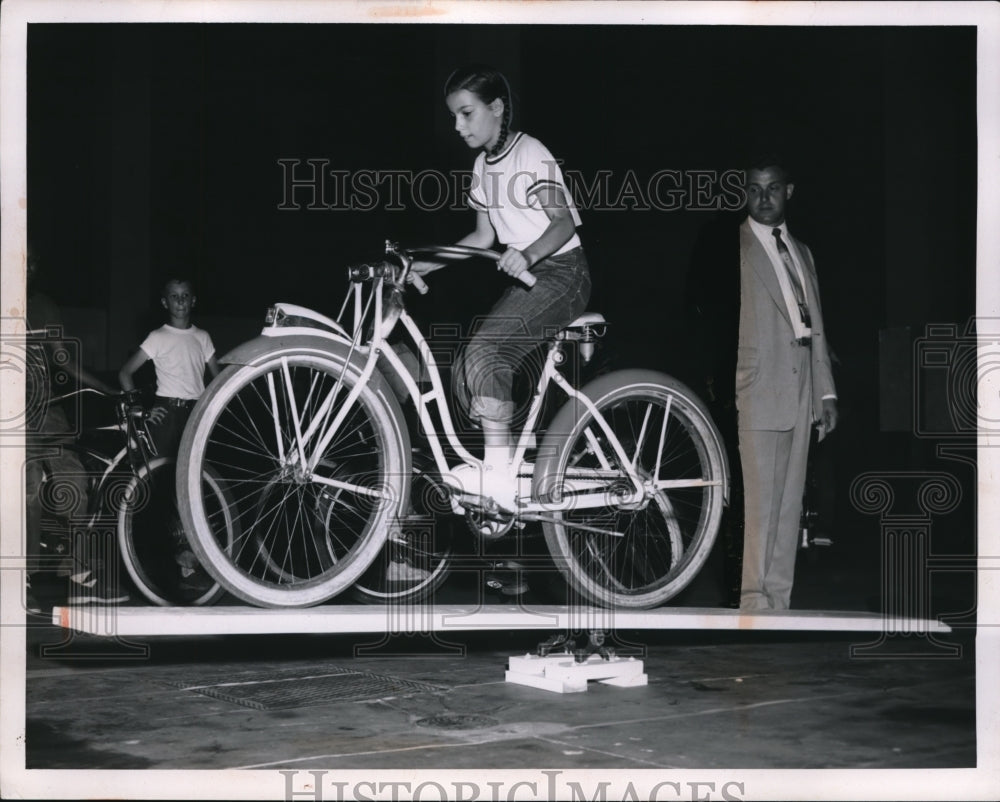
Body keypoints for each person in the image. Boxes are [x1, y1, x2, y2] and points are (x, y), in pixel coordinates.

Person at [411, 64, 591, 511]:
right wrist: (424, 265)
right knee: (468, 366)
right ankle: (508, 464)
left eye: (466, 113)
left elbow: (563, 222)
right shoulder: (482, 166)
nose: (458, 126)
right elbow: (482, 238)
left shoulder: (530, 152)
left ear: (496, 108)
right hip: (531, 278)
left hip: (564, 273)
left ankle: (497, 477)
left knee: (486, 353)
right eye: (453, 116)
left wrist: (527, 255)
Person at [735, 158, 838, 610]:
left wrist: (825, 392)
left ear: (789, 191)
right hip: (756, 384)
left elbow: (815, 325)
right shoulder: (735, 247)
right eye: (755, 188)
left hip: (802, 384)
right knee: (758, 503)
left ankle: (777, 603)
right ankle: (751, 602)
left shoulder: (803, 251)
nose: (763, 197)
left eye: (773, 188)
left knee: (790, 502)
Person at [24, 245, 128, 608]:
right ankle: (24, 577)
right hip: (11, 409)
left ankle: (78, 568)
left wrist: (107, 388)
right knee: (29, 485)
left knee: (76, 481)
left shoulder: (44, 306)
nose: (27, 268)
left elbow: (63, 359)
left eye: (32, 262)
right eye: (21, 260)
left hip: (47, 406)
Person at [118, 278, 220, 585]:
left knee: (193, 487)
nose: (180, 301)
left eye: (185, 295)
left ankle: (190, 560)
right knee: (163, 488)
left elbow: (217, 380)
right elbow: (125, 373)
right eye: (174, 296)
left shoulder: (202, 337)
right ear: (165, 302)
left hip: (195, 413)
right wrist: (141, 408)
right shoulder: (158, 337)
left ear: (193, 300)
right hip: (166, 414)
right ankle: (159, 561)